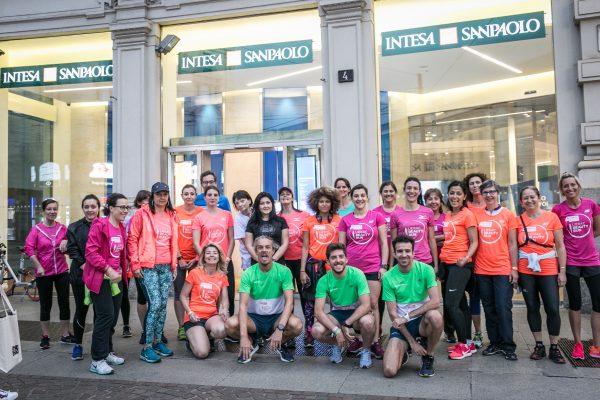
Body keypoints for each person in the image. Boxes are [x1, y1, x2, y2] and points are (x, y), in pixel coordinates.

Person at [225, 236, 303, 363]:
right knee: (229, 325)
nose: (264, 250)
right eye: (260, 247)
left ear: (273, 251)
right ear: (255, 251)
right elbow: (243, 306)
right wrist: (243, 337)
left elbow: (289, 301)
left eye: (268, 247)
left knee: (297, 325)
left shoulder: (284, 271)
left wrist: (280, 329)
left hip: (275, 319)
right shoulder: (248, 273)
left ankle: (279, 343)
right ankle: (251, 343)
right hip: (254, 319)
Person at [128, 182, 178, 363]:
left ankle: (157, 342)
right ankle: (146, 346)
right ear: (153, 196)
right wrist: (135, 264)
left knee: (163, 305)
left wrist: (174, 265)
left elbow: (174, 242)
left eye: (165, 194)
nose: (162, 197)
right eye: (159, 194)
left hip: (166, 266)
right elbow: (132, 239)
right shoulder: (142, 214)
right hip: (148, 266)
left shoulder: (172, 215)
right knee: (155, 303)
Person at [552, 172, 600, 359]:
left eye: (573, 184)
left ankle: (596, 345)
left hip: (592, 261)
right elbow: (557, 237)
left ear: (578, 186)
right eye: (566, 186)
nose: (570, 188)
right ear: (561, 190)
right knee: (575, 304)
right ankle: (578, 343)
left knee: (598, 304)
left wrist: (585, 241)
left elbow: (597, 229)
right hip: (570, 262)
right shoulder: (558, 210)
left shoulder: (591, 205)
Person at [338, 184, 389, 359]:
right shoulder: (345, 220)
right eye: (356, 196)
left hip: (373, 267)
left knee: (373, 304)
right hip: (352, 270)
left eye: (362, 195)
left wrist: (383, 266)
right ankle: (360, 339)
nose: (359, 199)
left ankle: (375, 341)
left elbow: (384, 243)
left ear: (367, 198)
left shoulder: (377, 217)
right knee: (357, 305)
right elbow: (341, 247)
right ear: (352, 199)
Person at [517, 186, 566, 364]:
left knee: (552, 307)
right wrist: (514, 270)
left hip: (548, 268)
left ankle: (554, 346)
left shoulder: (552, 217)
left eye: (532, 197)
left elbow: (560, 246)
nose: (529, 201)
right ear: (521, 202)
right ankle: (539, 345)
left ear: (539, 197)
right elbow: (514, 247)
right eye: (525, 198)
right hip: (525, 269)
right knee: (532, 307)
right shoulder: (518, 220)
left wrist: (562, 271)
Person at [382, 235, 443, 378]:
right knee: (389, 371)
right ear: (395, 254)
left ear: (413, 252)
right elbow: (393, 314)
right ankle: (405, 349)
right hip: (402, 326)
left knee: (435, 316)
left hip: (423, 322)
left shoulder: (426, 269)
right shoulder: (388, 277)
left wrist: (408, 316)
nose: (404, 255)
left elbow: (435, 302)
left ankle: (428, 355)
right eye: (400, 251)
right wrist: (412, 342)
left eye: (407, 251)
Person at [84, 193, 129, 375]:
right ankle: (97, 360)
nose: (125, 211)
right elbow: (91, 252)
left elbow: (120, 253)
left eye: (127, 207)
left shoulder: (121, 227)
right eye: (122, 207)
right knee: (104, 317)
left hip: (115, 280)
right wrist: (107, 269)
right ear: (111, 208)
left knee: (112, 317)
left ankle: (107, 352)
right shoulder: (99, 225)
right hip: (100, 278)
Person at [474, 180, 518, 361]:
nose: (489, 195)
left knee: (503, 307)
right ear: (481, 195)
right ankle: (494, 343)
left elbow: (513, 243)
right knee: (489, 308)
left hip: (502, 269)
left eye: (492, 192)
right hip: (482, 269)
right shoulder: (476, 215)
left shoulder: (508, 215)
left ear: (498, 193)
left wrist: (514, 268)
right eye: (486, 192)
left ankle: (508, 345)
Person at [311, 243, 375, 368]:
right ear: (328, 261)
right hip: (337, 313)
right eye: (333, 258)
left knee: (368, 321)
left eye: (341, 257)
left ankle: (366, 350)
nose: (338, 260)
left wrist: (346, 324)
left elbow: (366, 305)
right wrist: (337, 331)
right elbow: (318, 311)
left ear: (346, 259)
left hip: (356, 313)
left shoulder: (357, 274)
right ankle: (338, 344)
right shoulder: (324, 280)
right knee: (316, 330)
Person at [24, 198, 72, 350]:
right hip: (44, 273)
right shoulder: (36, 230)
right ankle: (45, 336)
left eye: (55, 209)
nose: (52, 212)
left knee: (64, 303)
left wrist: (66, 242)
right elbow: (29, 249)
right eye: (49, 209)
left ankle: (65, 334)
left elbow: (71, 245)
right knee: (46, 305)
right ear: (43, 211)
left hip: (62, 271)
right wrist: (38, 266)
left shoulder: (63, 229)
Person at [439, 181, 479, 360]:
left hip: (461, 265)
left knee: (450, 304)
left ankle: (463, 345)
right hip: (446, 263)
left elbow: (474, 241)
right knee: (461, 305)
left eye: (458, 193)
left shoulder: (467, 214)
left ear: (464, 196)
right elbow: (449, 236)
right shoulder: (448, 215)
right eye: (451, 193)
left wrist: (466, 257)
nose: (454, 197)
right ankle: (468, 342)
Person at [300, 186, 341, 347]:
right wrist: (302, 270)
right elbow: (304, 247)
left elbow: (342, 245)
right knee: (311, 302)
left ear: (332, 204)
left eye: (327, 202)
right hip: (313, 267)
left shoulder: (339, 220)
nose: (324, 204)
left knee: (336, 301)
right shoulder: (309, 221)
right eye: (321, 201)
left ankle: (336, 331)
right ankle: (309, 332)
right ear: (316, 203)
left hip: (334, 266)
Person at [127, 190, 166, 344]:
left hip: (158, 264)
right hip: (142, 265)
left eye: (148, 200)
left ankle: (157, 331)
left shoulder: (158, 216)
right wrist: (134, 264)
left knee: (157, 301)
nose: (146, 203)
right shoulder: (135, 218)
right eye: (142, 201)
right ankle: (146, 330)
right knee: (144, 298)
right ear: (138, 203)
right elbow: (131, 241)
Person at [179, 244, 229, 359]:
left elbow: (224, 300)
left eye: (215, 253)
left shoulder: (222, 276)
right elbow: (182, 296)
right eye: (208, 253)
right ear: (203, 257)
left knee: (222, 330)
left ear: (219, 256)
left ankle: (206, 338)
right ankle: (192, 340)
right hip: (194, 317)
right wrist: (190, 312)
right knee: (202, 353)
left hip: (211, 316)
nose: (211, 255)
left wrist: (224, 309)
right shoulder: (195, 273)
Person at [192, 185, 235, 317]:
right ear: (204, 198)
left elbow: (232, 239)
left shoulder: (227, 215)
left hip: (225, 261)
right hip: (206, 262)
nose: (212, 197)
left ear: (219, 198)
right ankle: (208, 325)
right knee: (209, 293)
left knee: (228, 294)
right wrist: (205, 259)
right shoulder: (199, 217)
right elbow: (195, 242)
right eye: (209, 195)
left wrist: (226, 258)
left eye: (215, 195)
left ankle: (228, 326)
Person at [67, 194, 100, 361]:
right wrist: (86, 268)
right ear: (83, 208)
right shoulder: (74, 227)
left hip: (101, 276)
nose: (90, 210)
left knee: (100, 312)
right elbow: (73, 251)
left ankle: (100, 346)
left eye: (93, 206)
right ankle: (78, 345)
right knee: (81, 310)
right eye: (86, 207)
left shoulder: (105, 225)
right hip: (80, 276)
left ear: (98, 207)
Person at [174, 184, 204, 341]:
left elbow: (204, 237)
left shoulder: (201, 212)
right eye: (186, 193)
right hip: (178, 259)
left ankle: (194, 323)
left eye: (192, 193)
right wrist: (179, 258)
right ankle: (181, 327)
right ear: (181, 195)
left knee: (195, 294)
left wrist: (197, 258)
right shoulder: (175, 211)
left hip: (197, 259)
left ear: (196, 196)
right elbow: (172, 236)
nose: (189, 196)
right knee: (179, 294)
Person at [390, 177, 438, 272]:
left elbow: (432, 239)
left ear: (419, 191)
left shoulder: (428, 212)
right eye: (409, 188)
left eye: (415, 188)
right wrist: (391, 265)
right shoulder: (395, 214)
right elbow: (393, 242)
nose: (412, 191)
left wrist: (436, 264)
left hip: (425, 261)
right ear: (404, 190)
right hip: (404, 262)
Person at [425, 188, 453, 343]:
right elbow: (422, 238)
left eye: (436, 198)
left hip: (446, 259)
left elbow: (451, 235)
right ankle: (427, 327)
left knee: (448, 297)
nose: (433, 202)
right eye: (430, 199)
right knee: (429, 296)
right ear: (426, 200)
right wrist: (438, 239)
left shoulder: (446, 217)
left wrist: (433, 239)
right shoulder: (423, 216)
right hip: (428, 259)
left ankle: (449, 330)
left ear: (440, 201)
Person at [278, 187, 310, 316]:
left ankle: (309, 328)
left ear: (292, 197)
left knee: (305, 295)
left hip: (302, 260)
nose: (285, 196)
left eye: (288, 194)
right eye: (282, 194)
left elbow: (309, 240)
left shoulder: (304, 215)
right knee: (287, 296)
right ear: (279, 198)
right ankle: (287, 328)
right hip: (284, 261)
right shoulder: (276, 217)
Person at [374, 181, 401, 337]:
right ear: (381, 193)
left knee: (397, 298)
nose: (389, 194)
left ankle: (399, 330)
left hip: (398, 259)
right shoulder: (375, 212)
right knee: (379, 299)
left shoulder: (401, 211)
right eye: (385, 191)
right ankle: (377, 332)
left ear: (395, 193)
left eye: (391, 191)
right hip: (380, 258)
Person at [463, 172, 486, 347]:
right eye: (471, 183)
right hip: (470, 259)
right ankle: (477, 333)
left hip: (489, 257)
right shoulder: (466, 206)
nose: (475, 185)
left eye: (478, 182)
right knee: (474, 298)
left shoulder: (492, 205)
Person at [245, 192, 289, 263]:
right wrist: (259, 260)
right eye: (262, 203)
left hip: (277, 261)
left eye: (268, 203)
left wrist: (273, 260)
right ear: (257, 206)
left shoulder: (281, 221)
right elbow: (248, 245)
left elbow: (285, 243)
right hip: (258, 262)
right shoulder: (252, 222)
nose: (265, 205)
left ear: (272, 204)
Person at [233, 190, 253, 271]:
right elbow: (246, 242)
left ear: (249, 200)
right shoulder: (238, 218)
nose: (240, 204)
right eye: (237, 203)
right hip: (248, 254)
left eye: (242, 201)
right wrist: (255, 254)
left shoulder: (257, 212)